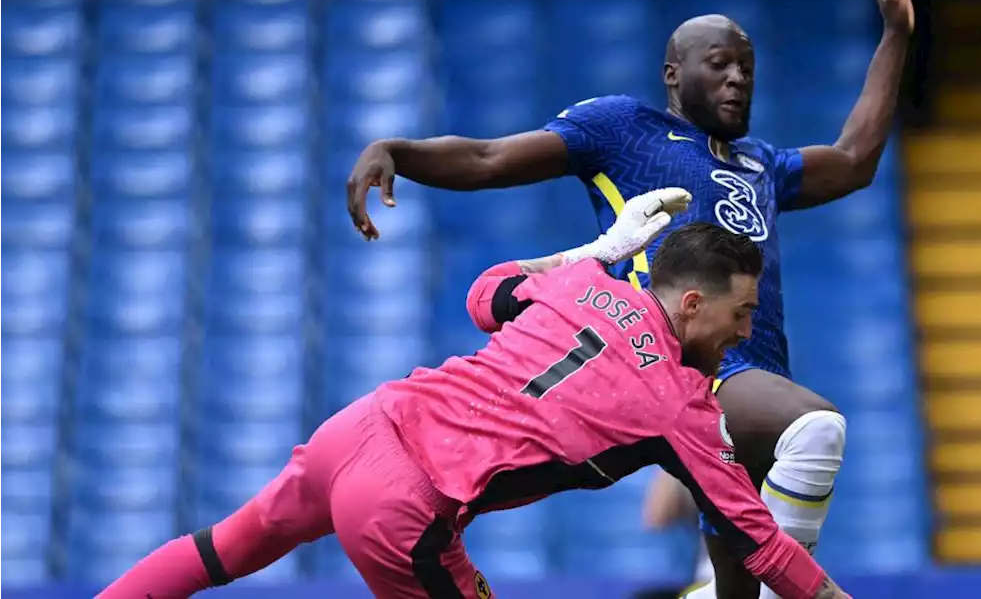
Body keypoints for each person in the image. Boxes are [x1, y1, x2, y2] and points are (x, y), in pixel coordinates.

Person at [345, 0, 921, 599]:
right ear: (673, 74)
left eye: (747, 70)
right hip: (684, 373)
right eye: (720, 64)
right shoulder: (623, 129)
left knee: (739, 586)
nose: (737, 80)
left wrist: (895, 32)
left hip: (752, 377)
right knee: (815, 428)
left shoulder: (763, 164)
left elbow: (853, 159)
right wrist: (399, 151)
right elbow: (486, 157)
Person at [98, 189, 854, 599]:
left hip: (361, 425)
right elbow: (760, 542)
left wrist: (594, 250)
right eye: (741, 312)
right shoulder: (679, 403)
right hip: (407, 504)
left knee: (222, 548)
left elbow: (485, 294)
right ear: (692, 303)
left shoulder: (585, 283)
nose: (746, 328)